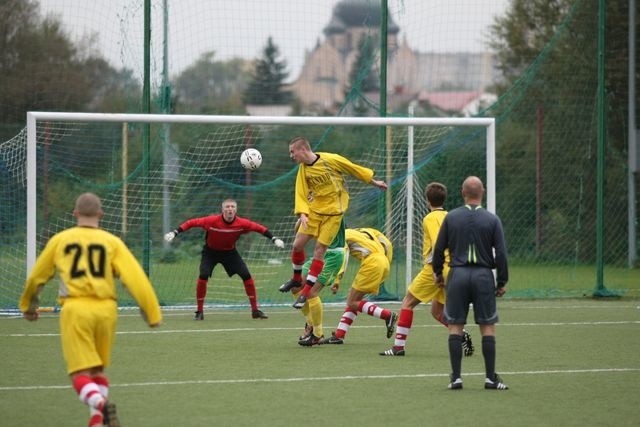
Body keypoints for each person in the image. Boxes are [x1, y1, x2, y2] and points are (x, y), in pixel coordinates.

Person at [19, 192, 162, 427]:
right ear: (100, 214)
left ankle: (101, 405)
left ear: (75, 214)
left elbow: (37, 277)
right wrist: (152, 313)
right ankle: (97, 422)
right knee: (96, 371)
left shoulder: (60, 240)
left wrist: (28, 306)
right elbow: (136, 278)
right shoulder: (112, 242)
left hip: (76, 308)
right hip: (107, 310)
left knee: (79, 374)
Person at [280, 137, 387, 309]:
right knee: (297, 245)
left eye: (293, 151)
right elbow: (300, 192)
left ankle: (305, 293)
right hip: (314, 212)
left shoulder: (330, 160)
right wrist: (303, 213)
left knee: (319, 250)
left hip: (334, 215)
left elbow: (353, 169)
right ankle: (296, 278)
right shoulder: (303, 169)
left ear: (303, 149)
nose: (291, 155)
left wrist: (374, 182)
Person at [432, 176, 509, 391]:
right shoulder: (492, 220)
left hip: (457, 275)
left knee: (455, 326)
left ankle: (456, 378)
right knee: (487, 327)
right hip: (483, 276)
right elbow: (501, 253)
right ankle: (490, 378)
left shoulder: (451, 217)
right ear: (482, 191)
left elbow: (438, 250)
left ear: (462, 192)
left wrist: (438, 273)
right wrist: (501, 281)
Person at [379, 182, 474, 357]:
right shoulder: (450, 216)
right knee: (437, 311)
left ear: (427, 201)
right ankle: (461, 335)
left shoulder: (430, 218)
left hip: (437, 268)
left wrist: (437, 270)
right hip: (455, 268)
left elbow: (439, 242)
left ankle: (398, 347)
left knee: (407, 302)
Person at [165, 198, 284, 320]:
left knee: (246, 275)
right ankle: (199, 312)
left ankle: (255, 310)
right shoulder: (211, 221)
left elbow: (259, 228)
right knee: (203, 275)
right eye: (227, 207)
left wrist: (274, 239)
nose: (230, 209)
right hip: (210, 252)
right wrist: (175, 233)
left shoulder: (242, 223)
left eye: (232, 207)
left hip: (229, 253)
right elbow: (191, 222)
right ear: (222, 210)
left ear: (236, 210)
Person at [321, 227, 398, 344]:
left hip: (372, 263)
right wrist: (386, 261)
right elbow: (386, 242)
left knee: (352, 301)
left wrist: (337, 279)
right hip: (383, 262)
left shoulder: (342, 237)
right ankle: (339, 335)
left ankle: (388, 315)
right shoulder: (363, 231)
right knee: (354, 300)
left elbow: (343, 256)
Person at [279, 218, 348, 346]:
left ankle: (317, 334)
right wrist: (302, 218)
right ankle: (310, 325)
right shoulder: (313, 209)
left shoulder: (332, 208)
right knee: (296, 287)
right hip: (319, 255)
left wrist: (338, 279)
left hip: (333, 255)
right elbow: (299, 232)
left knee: (311, 292)